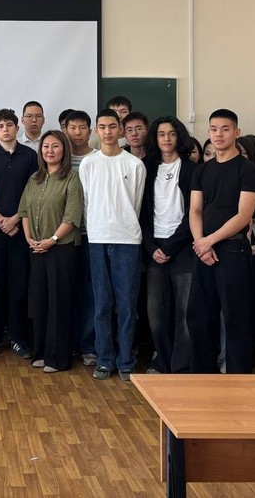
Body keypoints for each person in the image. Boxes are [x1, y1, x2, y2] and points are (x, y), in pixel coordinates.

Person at [186, 109, 255, 374]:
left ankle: (239, 378)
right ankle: (202, 375)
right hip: (203, 251)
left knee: (236, 317)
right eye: (214, 129)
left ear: (237, 132)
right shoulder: (202, 170)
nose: (219, 134)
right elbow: (195, 210)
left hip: (233, 249)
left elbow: (243, 216)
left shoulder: (248, 170)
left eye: (225, 129)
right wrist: (200, 242)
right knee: (199, 316)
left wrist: (209, 240)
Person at [79, 108, 146, 381]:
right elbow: (86, 203)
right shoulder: (88, 163)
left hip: (127, 240)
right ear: (96, 131)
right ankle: (105, 359)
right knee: (102, 304)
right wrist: (98, 227)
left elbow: (136, 204)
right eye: (102, 127)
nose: (107, 132)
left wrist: (123, 226)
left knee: (127, 305)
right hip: (97, 239)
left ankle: (126, 360)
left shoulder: (135, 164)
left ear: (120, 130)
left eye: (112, 126)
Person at [0, 108, 39, 360]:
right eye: (0, 126)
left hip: (21, 230)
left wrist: (15, 219)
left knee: (19, 285)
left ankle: (17, 337)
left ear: (17, 128)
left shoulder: (30, 156)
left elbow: (33, 194)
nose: (4, 130)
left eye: (9, 125)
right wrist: (2, 220)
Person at [18, 130, 84, 373]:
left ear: (64, 150)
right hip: (36, 248)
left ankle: (58, 359)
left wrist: (52, 239)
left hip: (61, 249)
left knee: (59, 303)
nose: (50, 151)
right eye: (46, 146)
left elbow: (72, 216)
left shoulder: (71, 178)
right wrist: (28, 238)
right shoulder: (34, 178)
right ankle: (40, 352)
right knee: (39, 302)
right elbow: (24, 211)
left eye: (55, 146)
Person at [140, 116, 196, 374]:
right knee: (156, 312)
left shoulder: (192, 169)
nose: (166, 139)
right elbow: (140, 212)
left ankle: (181, 367)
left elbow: (194, 213)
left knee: (185, 313)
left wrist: (171, 246)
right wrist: (152, 247)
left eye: (172, 134)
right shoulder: (146, 168)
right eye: (161, 134)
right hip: (155, 248)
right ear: (155, 138)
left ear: (179, 137)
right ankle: (161, 362)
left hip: (183, 247)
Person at [64, 110, 97, 365]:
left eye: (82, 127)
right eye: (72, 128)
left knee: (90, 293)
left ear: (90, 130)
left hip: (90, 235)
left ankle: (87, 345)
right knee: (66, 291)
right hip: (63, 237)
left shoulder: (98, 159)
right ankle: (67, 343)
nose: (77, 132)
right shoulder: (59, 160)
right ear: (65, 130)